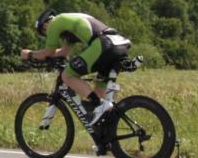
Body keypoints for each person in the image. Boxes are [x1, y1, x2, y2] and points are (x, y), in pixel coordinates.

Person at [21, 10, 132, 146]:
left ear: (45, 24)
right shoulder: (70, 23)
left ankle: (99, 104)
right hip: (119, 44)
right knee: (98, 106)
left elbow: (49, 52)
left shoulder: (56, 22)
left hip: (104, 44)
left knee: (67, 75)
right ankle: (106, 138)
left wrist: (30, 54)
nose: (48, 35)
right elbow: (63, 52)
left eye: (44, 32)